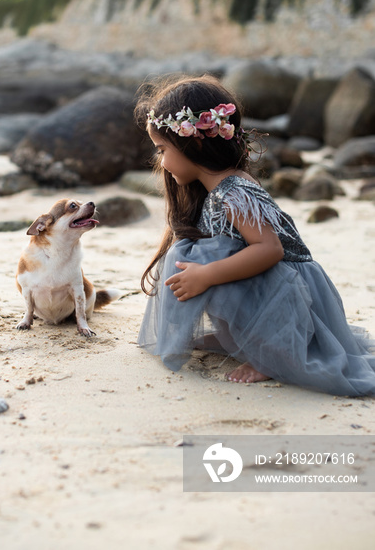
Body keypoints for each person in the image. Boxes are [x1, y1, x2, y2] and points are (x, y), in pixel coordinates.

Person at [134, 73, 375, 396]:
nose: (161, 162)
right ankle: (253, 342)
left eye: (162, 149)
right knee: (198, 253)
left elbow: (269, 249)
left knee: (207, 261)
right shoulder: (218, 191)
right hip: (274, 292)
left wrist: (207, 275)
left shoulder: (234, 192)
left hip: (291, 296)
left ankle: (272, 354)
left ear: (193, 141)